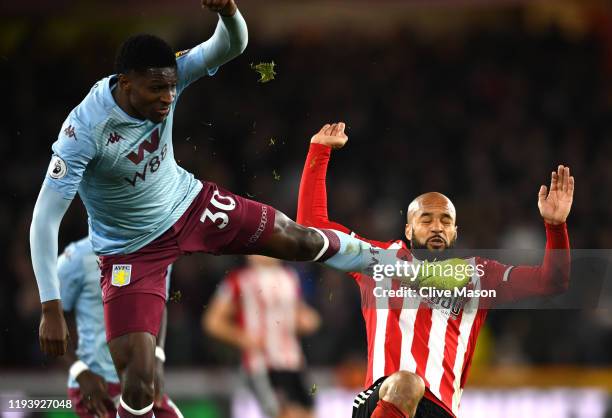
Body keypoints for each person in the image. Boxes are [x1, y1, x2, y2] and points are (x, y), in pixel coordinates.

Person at [29, 2, 444, 417]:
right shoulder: (83, 130)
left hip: (189, 203)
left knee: (295, 238)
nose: (167, 97)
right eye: (156, 90)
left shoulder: (166, 73)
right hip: (130, 249)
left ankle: (382, 260)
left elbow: (229, 45)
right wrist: (50, 308)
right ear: (124, 83)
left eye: (172, 88)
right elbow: (45, 220)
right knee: (139, 381)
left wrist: (228, 11)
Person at [296, 123, 573, 418]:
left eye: (445, 221)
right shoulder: (378, 259)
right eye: (426, 219)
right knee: (406, 383)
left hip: (440, 410)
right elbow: (313, 231)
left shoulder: (480, 275)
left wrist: (555, 227)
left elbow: (551, 282)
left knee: (410, 386)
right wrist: (319, 150)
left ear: (455, 232)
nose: (437, 226)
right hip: (381, 397)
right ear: (408, 229)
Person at [57, 237, 182, 418]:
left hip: (139, 378)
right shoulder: (76, 259)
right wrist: (80, 373)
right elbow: (53, 322)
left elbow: (159, 304)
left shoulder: (159, 248)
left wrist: (157, 358)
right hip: (98, 386)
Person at [204, 255, 320, 418]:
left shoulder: (289, 277)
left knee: (308, 413)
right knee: (284, 413)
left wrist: (309, 320)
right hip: (262, 363)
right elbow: (212, 321)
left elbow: (300, 313)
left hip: (293, 361)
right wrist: (242, 338)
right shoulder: (238, 280)